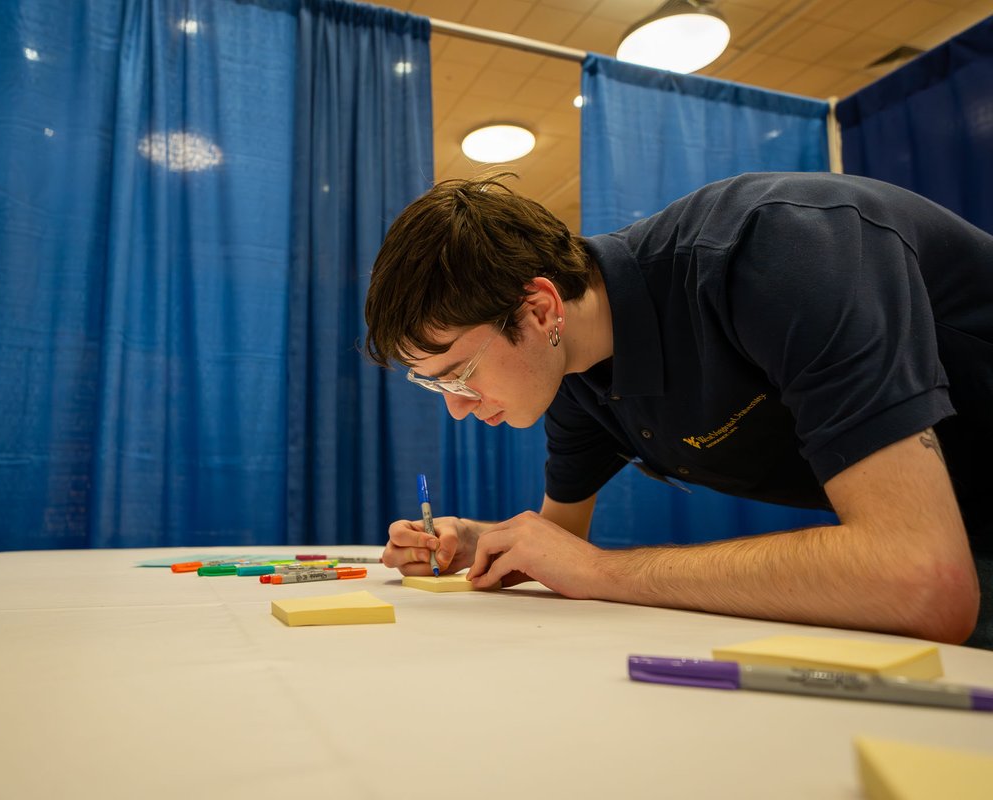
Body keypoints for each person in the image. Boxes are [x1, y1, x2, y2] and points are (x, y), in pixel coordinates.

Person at [364, 172, 993, 648]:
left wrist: (601, 570)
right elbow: (558, 547)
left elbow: (922, 579)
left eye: (461, 375)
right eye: (438, 388)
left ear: (539, 310)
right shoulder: (578, 378)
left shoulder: (777, 252)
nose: (459, 408)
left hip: (940, 556)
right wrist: (481, 542)